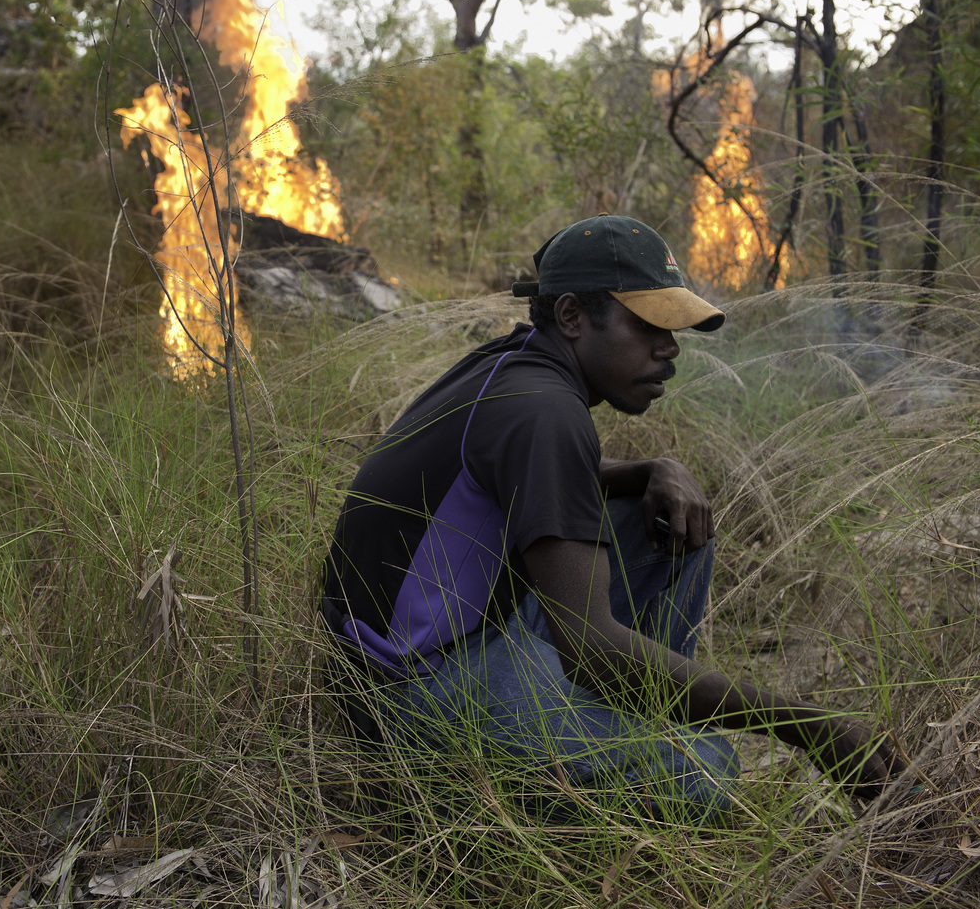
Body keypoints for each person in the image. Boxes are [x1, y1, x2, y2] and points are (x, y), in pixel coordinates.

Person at [319, 214, 898, 822]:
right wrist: (807, 728)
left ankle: (620, 724)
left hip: (460, 632)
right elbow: (589, 647)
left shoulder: (516, 370)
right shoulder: (544, 411)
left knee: (672, 527)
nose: (670, 348)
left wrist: (651, 468)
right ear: (571, 316)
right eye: (649, 324)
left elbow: (528, 476)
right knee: (703, 772)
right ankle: (607, 755)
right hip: (412, 690)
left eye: (673, 329)